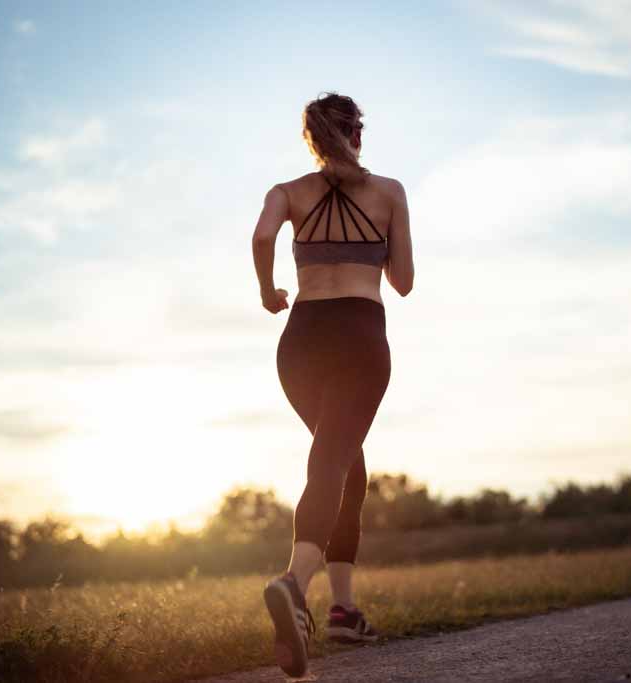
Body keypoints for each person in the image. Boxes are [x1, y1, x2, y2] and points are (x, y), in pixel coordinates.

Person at [250, 91, 414, 677]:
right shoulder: (388, 192)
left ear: (311, 139)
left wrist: (269, 292)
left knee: (346, 463)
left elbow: (263, 237)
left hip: (298, 344)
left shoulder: (287, 191)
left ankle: (343, 610)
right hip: (358, 337)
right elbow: (404, 282)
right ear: (358, 134)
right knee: (332, 461)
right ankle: (293, 586)